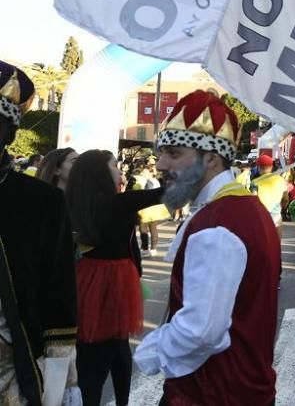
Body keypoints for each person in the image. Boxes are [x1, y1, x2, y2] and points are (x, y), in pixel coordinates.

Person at [134, 90, 280, 405]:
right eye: (162, 153)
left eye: (173, 154)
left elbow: (201, 331)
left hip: (212, 395)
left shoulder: (218, 223)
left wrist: (149, 352)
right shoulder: (243, 209)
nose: (160, 164)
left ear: (210, 158)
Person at [0, 61, 79, 405]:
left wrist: (64, 380)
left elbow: (58, 293)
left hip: (13, 371)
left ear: (8, 132)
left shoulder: (41, 202)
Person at [65, 149, 164, 406]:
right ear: (102, 172)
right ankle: (120, 400)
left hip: (85, 278)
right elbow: (163, 194)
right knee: (116, 350)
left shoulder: (70, 202)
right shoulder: (119, 202)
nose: (119, 170)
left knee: (93, 352)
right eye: (114, 165)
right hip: (117, 280)